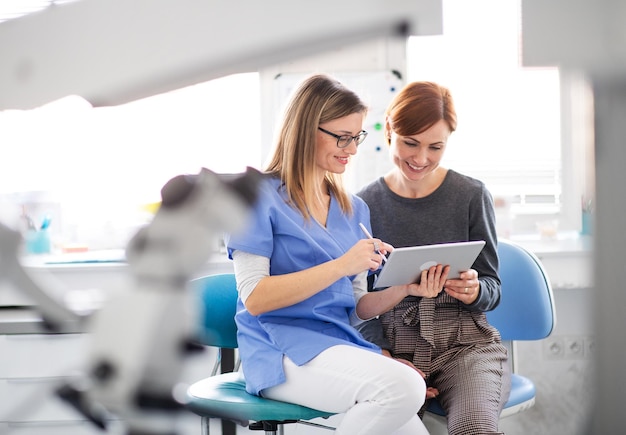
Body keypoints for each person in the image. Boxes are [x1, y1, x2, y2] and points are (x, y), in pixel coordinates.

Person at [225, 74, 432, 435]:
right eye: (342, 137)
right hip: (278, 351)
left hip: (337, 344)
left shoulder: (353, 209)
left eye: (357, 137)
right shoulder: (254, 197)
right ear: (306, 130)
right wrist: (342, 264)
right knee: (403, 388)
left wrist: (403, 290)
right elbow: (255, 298)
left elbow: (356, 305)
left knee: (411, 419)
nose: (352, 149)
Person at [355, 81, 511, 435]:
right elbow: (357, 303)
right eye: (410, 143)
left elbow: (492, 287)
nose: (421, 158)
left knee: (474, 429)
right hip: (394, 348)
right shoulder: (363, 205)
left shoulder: (471, 195)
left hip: (465, 346)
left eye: (435, 147)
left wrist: (475, 291)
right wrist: (384, 357)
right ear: (390, 130)